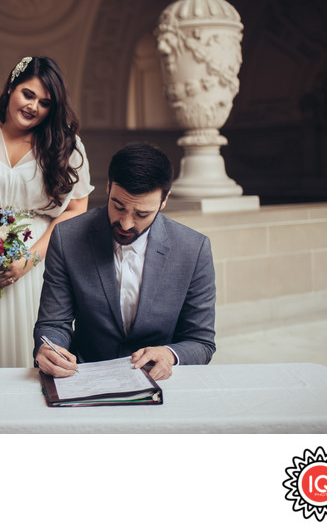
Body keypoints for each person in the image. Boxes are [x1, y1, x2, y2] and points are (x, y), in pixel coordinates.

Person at [0, 56, 94, 367]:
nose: (34, 107)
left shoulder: (67, 145)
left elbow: (78, 208)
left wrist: (30, 258)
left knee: (30, 349)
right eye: (28, 94)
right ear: (11, 86)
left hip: (39, 259)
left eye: (45, 102)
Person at [34, 142, 216, 381]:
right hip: (84, 377)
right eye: (118, 206)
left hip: (160, 382)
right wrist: (49, 349)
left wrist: (170, 354)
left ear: (164, 200)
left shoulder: (194, 248)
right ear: (109, 187)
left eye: (142, 214)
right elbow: (54, 323)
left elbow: (201, 341)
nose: (126, 223)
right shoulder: (67, 237)